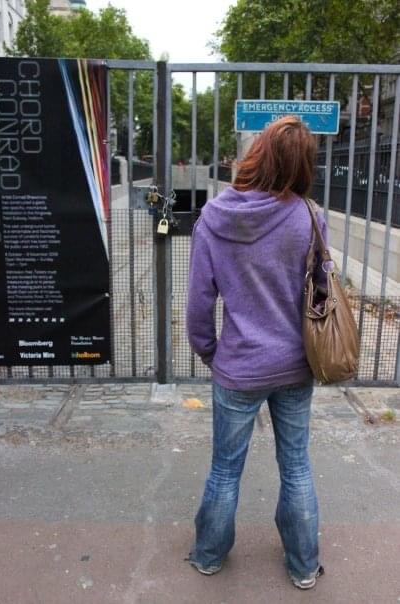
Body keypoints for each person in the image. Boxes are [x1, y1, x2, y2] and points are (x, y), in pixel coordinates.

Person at [186, 116, 327, 590]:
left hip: (238, 367)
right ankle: (304, 565)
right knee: (297, 465)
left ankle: (208, 555)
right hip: (294, 365)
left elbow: (198, 305)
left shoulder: (214, 218)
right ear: (303, 164)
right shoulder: (310, 216)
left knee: (225, 468)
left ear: (257, 154)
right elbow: (323, 292)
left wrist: (213, 354)